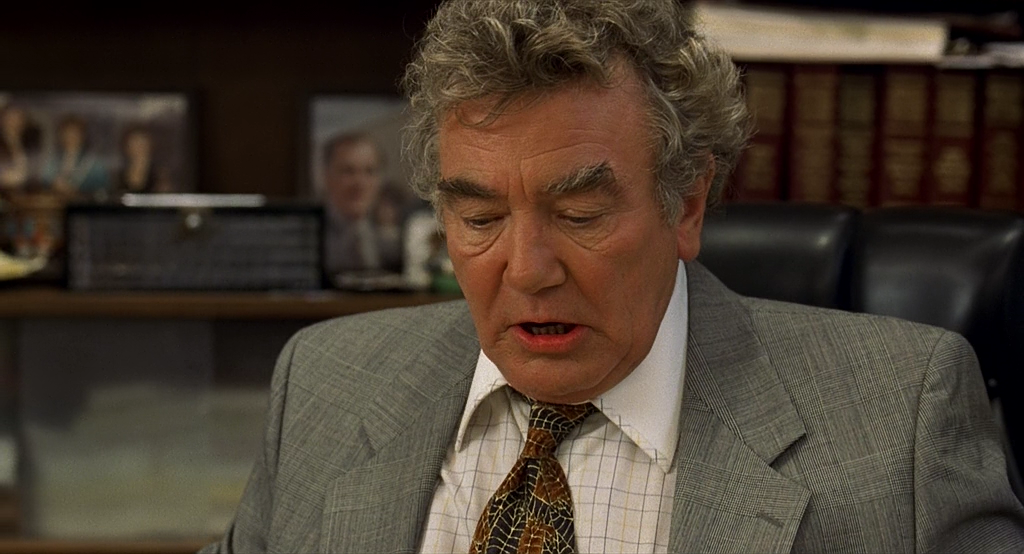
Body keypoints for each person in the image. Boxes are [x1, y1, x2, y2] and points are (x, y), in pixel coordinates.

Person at [202, 1, 1024, 552]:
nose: (528, 270)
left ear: (687, 204)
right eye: (480, 219)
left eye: (580, 214)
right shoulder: (326, 384)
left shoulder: (900, 425)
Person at [320, 131, 408, 277]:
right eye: (348, 171)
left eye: (370, 172)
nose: (360, 183)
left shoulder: (395, 236)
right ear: (327, 176)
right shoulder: (310, 235)